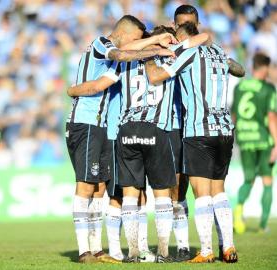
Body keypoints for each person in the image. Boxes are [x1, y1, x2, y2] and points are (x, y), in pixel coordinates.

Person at [68, 24, 209, 263]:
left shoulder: (126, 65)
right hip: (157, 129)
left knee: (128, 195)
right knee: (162, 194)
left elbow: (112, 69)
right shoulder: (170, 57)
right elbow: (202, 38)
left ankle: (133, 252)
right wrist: (172, 45)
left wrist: (72, 89)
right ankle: (163, 252)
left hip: (126, 130)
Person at [145, 22, 245, 263]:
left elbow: (156, 76)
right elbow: (240, 70)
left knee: (202, 194)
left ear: (184, 37)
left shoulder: (188, 53)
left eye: (178, 39)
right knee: (219, 192)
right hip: (224, 131)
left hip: (199, 130)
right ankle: (229, 247)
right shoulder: (220, 52)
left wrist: (149, 57)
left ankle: (207, 251)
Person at [232, 53, 277, 234]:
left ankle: (238, 210)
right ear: (265, 68)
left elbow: (234, 115)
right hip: (263, 140)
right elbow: (271, 117)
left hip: (244, 138)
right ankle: (262, 225)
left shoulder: (240, 86)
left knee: (248, 179)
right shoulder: (268, 88)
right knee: (267, 180)